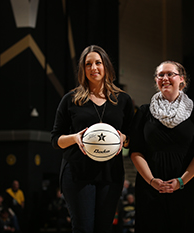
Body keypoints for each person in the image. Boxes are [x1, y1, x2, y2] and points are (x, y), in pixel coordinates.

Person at [51, 45, 134, 233]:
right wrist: (75, 137)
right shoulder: (70, 99)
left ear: (106, 66)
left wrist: (124, 139)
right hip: (77, 172)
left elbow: (133, 138)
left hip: (110, 173)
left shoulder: (123, 100)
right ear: (83, 69)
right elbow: (55, 139)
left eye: (98, 63)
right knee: (83, 228)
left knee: (103, 229)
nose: (93, 68)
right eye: (88, 64)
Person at [130, 60, 194, 233]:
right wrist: (152, 181)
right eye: (160, 75)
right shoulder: (144, 112)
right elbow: (136, 151)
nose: (165, 78)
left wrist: (181, 181)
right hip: (150, 188)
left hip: (186, 187)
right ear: (156, 81)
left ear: (182, 80)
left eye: (170, 74)